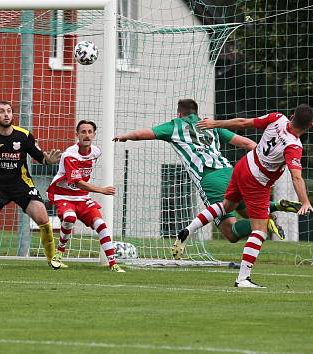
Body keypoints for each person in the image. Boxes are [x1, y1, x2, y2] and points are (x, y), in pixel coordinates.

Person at [112, 99, 301, 259]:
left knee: (230, 232)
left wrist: (124, 136)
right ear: (196, 112)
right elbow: (245, 143)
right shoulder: (209, 125)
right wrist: (263, 162)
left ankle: (266, 219)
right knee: (245, 211)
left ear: (179, 114)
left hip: (209, 178)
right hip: (231, 171)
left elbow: (143, 134)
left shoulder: (174, 126)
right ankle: (275, 206)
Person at [177, 104, 313, 288]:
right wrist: (305, 201)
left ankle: (189, 229)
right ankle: (242, 279)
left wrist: (215, 123)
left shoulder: (277, 117)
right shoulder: (294, 146)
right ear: (310, 126)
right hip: (257, 181)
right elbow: (296, 176)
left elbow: (243, 123)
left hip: (244, 165)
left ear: (292, 116)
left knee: (227, 207)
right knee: (260, 230)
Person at [0, 101, 63, 268]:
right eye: (2, 112)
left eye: (9, 111)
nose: (6, 114)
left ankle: (52, 260)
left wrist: (48, 160)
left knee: (42, 217)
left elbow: (41, 157)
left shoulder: (24, 136)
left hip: (22, 185)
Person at [48, 120, 125, 272]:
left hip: (82, 197)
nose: (87, 135)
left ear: (94, 135)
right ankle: (59, 252)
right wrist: (101, 190)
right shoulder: (70, 155)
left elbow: (82, 184)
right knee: (69, 218)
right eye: (83, 132)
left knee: (101, 225)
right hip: (63, 196)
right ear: (77, 135)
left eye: (90, 132)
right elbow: (77, 182)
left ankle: (113, 264)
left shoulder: (96, 152)